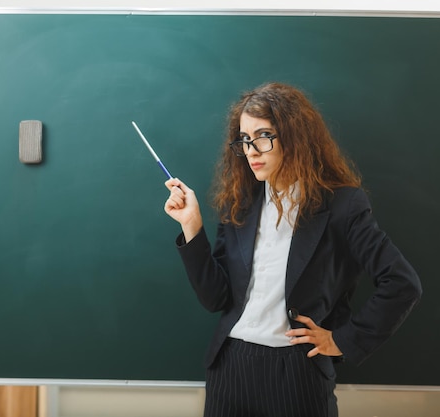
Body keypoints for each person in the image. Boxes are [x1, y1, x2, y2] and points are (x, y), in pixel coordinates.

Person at [164, 82, 422, 417]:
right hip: (230, 366)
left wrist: (342, 340)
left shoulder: (342, 205)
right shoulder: (242, 202)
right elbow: (216, 299)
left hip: (296, 372)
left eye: (263, 135)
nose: (252, 150)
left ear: (294, 136)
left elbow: (403, 283)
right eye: (244, 139)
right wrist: (192, 227)